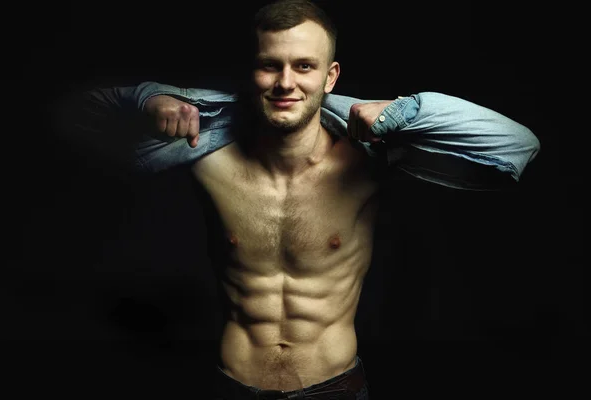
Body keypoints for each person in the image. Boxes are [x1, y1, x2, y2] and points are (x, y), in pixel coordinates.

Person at [52, 1, 540, 398]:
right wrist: (146, 97)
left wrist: (398, 113)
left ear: (329, 78)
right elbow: (71, 115)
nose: (286, 83)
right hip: (233, 385)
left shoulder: (367, 160)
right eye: (271, 65)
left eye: (304, 66)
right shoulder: (206, 154)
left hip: (335, 389)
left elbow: (517, 145)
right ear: (252, 73)